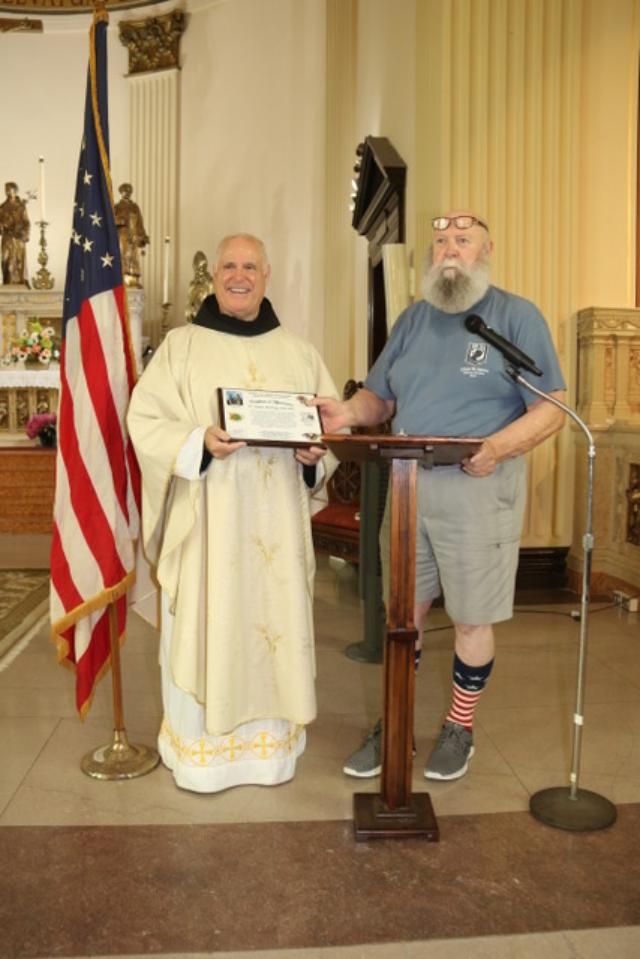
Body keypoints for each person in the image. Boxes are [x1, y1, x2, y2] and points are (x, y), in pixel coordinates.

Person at [313, 210, 566, 782]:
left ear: (486, 250)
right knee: (403, 613)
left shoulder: (514, 316)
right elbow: (380, 399)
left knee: (473, 619)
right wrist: (347, 413)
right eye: (441, 242)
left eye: (463, 241)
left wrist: (498, 449)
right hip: (408, 493)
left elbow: (551, 406)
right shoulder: (412, 321)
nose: (449, 250)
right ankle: (395, 721)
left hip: (479, 490)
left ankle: (459, 726)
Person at [127, 233, 338, 792]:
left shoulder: (299, 353)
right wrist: (198, 441)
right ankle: (202, 754)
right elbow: (145, 419)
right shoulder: (181, 347)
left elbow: (330, 425)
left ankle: (269, 753)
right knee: (209, 620)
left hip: (277, 526)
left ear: (267, 275)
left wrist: (317, 455)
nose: (238, 275)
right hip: (209, 525)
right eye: (228, 266)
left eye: (249, 266)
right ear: (214, 276)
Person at [114, 183, 149, 287]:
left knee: (133, 256)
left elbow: (139, 223)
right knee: (123, 255)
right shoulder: (117, 207)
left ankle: (133, 277)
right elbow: (111, 221)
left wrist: (143, 236)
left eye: (129, 191)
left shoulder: (134, 207)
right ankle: (122, 276)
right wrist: (120, 221)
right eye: (125, 191)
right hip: (122, 235)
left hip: (133, 236)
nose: (127, 193)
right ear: (121, 192)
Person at [0, 182, 30, 286]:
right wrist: (2, 226)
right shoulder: (2, 207)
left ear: (15, 190)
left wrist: (23, 233)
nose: (7, 191)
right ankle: (7, 281)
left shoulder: (21, 206)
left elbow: (26, 222)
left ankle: (19, 282)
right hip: (7, 238)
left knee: (18, 260)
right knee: (5, 259)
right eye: (6, 189)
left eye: (9, 189)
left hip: (18, 238)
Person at [185, 250, 214, 323]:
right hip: (194, 316)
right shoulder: (192, 284)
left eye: (201, 267)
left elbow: (212, 300)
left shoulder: (210, 282)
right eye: (197, 267)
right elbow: (189, 301)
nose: (199, 269)